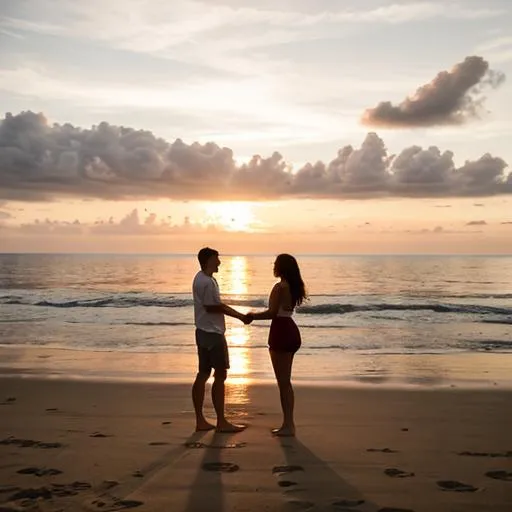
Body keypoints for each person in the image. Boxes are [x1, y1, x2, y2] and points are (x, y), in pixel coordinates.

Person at [192, 247, 251, 433]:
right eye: (217, 259)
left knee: (203, 374)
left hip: (202, 331)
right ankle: (221, 421)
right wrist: (241, 316)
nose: (219, 262)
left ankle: (200, 420)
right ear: (209, 260)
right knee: (220, 375)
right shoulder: (207, 282)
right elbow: (213, 306)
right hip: (212, 333)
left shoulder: (200, 278)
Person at [248, 254, 306, 437]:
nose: (273, 266)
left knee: (283, 383)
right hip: (291, 329)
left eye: (275, 263)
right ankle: (289, 423)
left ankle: (288, 425)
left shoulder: (279, 287)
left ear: (281, 267)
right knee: (286, 382)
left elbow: (272, 313)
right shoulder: (294, 286)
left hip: (280, 331)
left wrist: (251, 316)